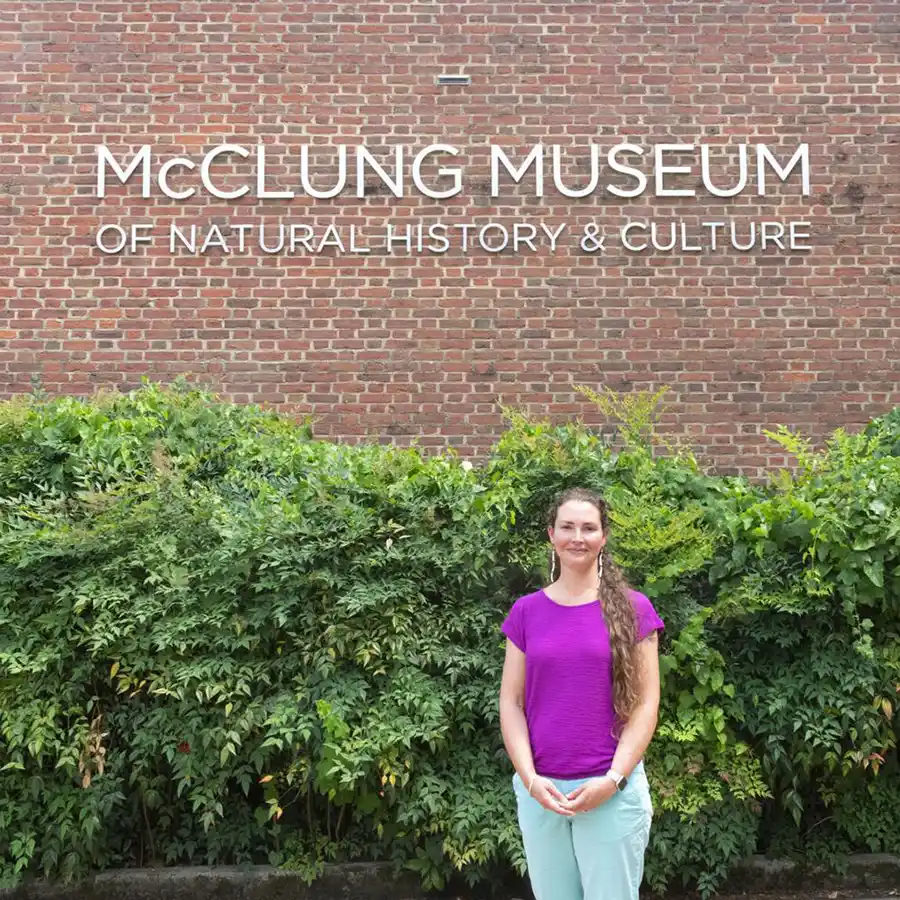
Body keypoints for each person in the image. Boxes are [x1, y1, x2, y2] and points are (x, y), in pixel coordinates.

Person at [499, 487, 664, 900]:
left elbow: (646, 704)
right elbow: (511, 702)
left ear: (603, 536)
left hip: (611, 792)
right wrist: (530, 780)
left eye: (589, 527)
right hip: (543, 794)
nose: (578, 537)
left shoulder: (634, 609)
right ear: (551, 535)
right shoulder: (526, 612)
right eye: (567, 526)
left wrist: (613, 780)